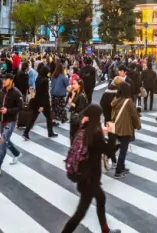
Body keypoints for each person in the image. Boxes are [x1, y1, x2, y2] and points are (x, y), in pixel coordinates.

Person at [60, 103, 121, 233]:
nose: (101, 118)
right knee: (80, 213)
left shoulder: (84, 129)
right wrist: (112, 132)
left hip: (85, 176)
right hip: (90, 179)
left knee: (101, 198)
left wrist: (102, 133)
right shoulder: (95, 135)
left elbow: (94, 146)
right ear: (97, 117)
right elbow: (110, 151)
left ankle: (105, 230)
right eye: (100, 116)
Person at [108, 83, 141, 179]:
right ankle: (118, 171)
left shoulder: (115, 99)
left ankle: (121, 167)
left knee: (119, 146)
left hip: (116, 127)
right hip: (125, 128)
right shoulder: (128, 101)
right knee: (123, 150)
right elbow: (134, 115)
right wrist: (138, 126)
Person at [67, 75, 89, 140]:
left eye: (74, 84)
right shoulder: (75, 93)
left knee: (74, 135)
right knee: (72, 134)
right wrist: (72, 95)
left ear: (79, 85)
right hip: (74, 117)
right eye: (72, 84)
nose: (72, 86)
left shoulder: (81, 95)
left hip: (78, 119)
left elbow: (80, 108)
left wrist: (71, 103)